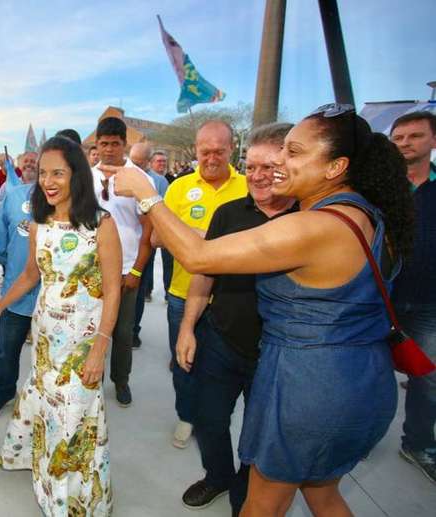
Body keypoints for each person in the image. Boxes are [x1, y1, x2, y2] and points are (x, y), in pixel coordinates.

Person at [109, 103, 413, 516]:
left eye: (294, 152)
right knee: (322, 493)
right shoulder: (367, 215)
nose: (277, 164)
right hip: (358, 379)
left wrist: (147, 195)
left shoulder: (315, 226)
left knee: (260, 506)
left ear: (335, 166)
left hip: (311, 388)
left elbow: (198, 256)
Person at [0, 136, 120, 516]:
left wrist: (100, 348)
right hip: (46, 335)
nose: (48, 180)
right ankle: (45, 478)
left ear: (76, 174)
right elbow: (31, 275)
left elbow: (113, 291)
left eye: (58, 173)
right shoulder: (40, 223)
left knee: (74, 418)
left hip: (84, 340)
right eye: (44, 173)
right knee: (49, 409)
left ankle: (70, 503)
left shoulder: (101, 224)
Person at [176, 123, 296, 513]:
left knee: (257, 436)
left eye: (271, 168)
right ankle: (217, 476)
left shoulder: (309, 219)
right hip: (221, 343)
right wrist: (188, 328)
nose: (259, 176)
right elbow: (203, 274)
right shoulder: (228, 214)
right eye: (253, 166)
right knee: (209, 422)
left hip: (278, 355)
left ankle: (246, 491)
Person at [160, 120, 247, 448]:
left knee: (220, 370)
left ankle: (213, 424)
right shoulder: (179, 188)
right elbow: (157, 236)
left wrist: (198, 240)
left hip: (232, 299)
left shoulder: (249, 185)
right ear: (195, 150)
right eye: (205, 151)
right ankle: (186, 415)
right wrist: (211, 242)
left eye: (219, 151)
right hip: (183, 294)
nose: (211, 157)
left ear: (232, 149)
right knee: (183, 364)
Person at [92, 117, 153, 407]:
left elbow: (149, 229)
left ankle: (121, 380)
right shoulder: (85, 177)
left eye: (115, 144)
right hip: (92, 270)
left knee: (123, 331)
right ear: (97, 144)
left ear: (124, 145)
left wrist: (138, 270)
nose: (109, 149)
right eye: (104, 143)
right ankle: (94, 383)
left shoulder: (140, 178)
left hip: (127, 268)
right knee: (92, 329)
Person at [390, 111, 436, 483]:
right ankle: (356, 435)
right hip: (379, 301)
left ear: (433, 141)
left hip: (427, 304)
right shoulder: (378, 189)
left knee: (428, 378)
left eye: (414, 136)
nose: (405, 142)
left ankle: (417, 442)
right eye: (399, 137)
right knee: (364, 372)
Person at [0, 164, 40, 419]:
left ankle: (46, 402)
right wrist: (6, 268)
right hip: (16, 292)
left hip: (55, 299)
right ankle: (4, 392)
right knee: (6, 350)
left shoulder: (71, 199)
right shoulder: (15, 197)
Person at [129, 142, 169, 349]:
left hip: (145, 244)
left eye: (138, 162)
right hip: (123, 245)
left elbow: (164, 214)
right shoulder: (123, 176)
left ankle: (134, 330)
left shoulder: (159, 182)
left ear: (148, 162)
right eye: (132, 161)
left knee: (138, 289)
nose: (134, 166)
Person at [149, 150, 174, 301]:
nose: (162, 164)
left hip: (167, 227)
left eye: (164, 161)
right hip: (150, 225)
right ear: (151, 163)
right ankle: (147, 290)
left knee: (169, 261)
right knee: (148, 259)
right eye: (159, 161)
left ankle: (168, 291)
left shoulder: (172, 180)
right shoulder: (148, 179)